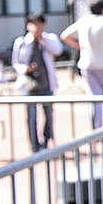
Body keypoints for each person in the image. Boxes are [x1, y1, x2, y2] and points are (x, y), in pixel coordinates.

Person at [61, 1, 103, 128]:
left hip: (87, 63)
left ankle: (96, 129)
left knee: (94, 98)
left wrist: (79, 46)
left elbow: (65, 36)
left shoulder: (84, 21)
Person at [12, 14, 63, 151]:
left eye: (39, 24)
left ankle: (47, 140)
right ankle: (35, 145)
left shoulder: (48, 39)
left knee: (48, 114)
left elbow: (58, 50)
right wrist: (26, 69)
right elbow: (16, 63)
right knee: (31, 116)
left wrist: (42, 39)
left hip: (46, 83)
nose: (36, 27)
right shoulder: (21, 42)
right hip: (30, 84)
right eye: (33, 24)